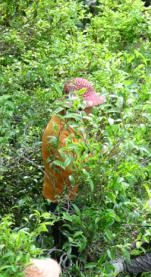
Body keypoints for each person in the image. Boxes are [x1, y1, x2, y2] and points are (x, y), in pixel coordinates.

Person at [42, 78, 105, 252]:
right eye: (88, 106)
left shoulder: (73, 122)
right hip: (60, 200)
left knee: (77, 244)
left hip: (72, 195)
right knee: (67, 249)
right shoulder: (57, 130)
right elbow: (74, 170)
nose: (91, 110)